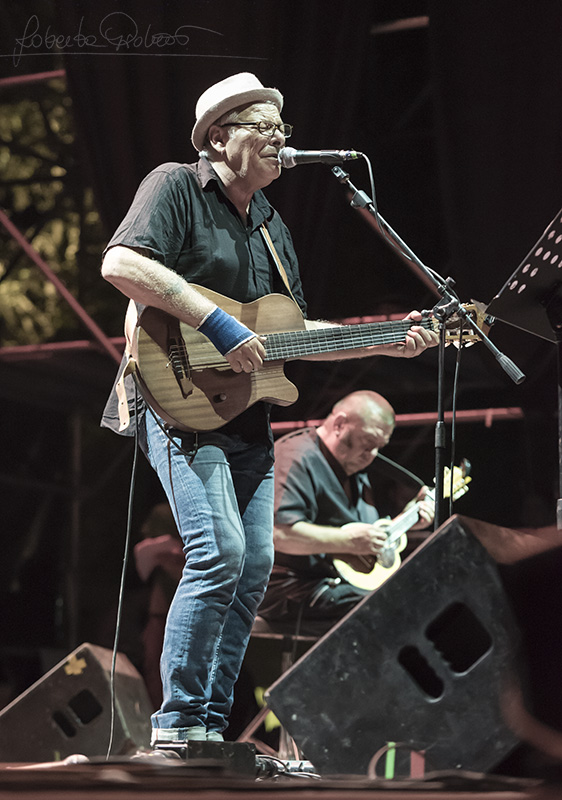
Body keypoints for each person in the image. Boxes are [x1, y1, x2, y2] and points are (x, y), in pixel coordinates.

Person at [100, 72, 438, 747]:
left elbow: (290, 334)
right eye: (265, 125)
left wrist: (384, 338)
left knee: (254, 564)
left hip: (245, 414)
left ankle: (208, 728)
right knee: (218, 549)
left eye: (284, 129)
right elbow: (122, 262)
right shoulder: (174, 185)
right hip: (175, 399)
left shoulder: (271, 225)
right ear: (219, 136)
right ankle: (177, 725)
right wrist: (218, 325)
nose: (282, 139)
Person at [259, 390, 435, 624]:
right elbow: (279, 534)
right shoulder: (296, 457)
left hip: (335, 583)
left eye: (379, 447)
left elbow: (360, 538)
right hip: (289, 588)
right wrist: (349, 542)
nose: (372, 455)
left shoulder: (354, 469)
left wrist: (407, 521)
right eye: (368, 443)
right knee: (392, 605)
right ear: (340, 424)